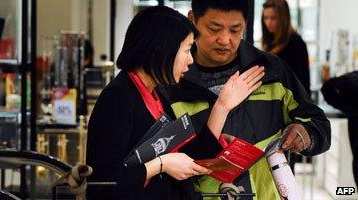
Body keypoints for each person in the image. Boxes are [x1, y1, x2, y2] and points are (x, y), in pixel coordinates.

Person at [86, 6, 264, 199]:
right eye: (187, 50)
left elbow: (186, 156)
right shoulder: (117, 99)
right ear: (162, 49)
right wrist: (162, 164)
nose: (190, 61)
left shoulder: (155, 94)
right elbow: (103, 186)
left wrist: (222, 107)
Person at [166, 0, 331, 199]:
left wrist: (306, 134)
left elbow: (318, 123)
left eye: (236, 30)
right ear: (192, 20)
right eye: (214, 28)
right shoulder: (171, 81)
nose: (225, 40)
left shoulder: (271, 71)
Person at [262, 0, 311, 96]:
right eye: (265, 18)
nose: (268, 23)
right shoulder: (270, 42)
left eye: (273, 18)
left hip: (292, 101)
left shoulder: (296, 43)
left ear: (283, 19)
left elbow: (299, 82)